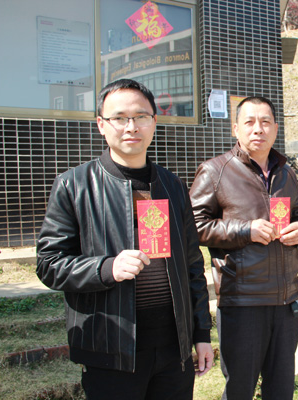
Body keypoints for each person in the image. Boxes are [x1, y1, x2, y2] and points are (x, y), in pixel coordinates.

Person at [36, 79, 213, 399]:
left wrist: (201, 333)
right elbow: (49, 264)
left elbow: (192, 264)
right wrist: (106, 268)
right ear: (101, 125)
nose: (131, 126)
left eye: (141, 116)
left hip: (173, 350)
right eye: (119, 118)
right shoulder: (74, 186)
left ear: (154, 122)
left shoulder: (172, 185)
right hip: (110, 350)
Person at [190, 96, 298, 400]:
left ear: (276, 128)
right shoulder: (215, 171)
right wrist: (245, 230)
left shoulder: (286, 172)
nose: (258, 129)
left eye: (265, 122)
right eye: (250, 122)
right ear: (235, 129)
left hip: (286, 299)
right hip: (242, 301)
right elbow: (194, 226)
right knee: (240, 389)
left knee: (281, 389)